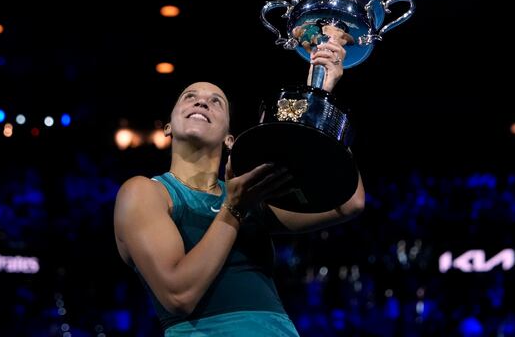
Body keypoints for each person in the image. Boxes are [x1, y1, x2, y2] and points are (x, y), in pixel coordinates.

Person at [113, 38, 365, 336]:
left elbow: (348, 203)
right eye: (189, 96)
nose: (202, 101)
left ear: (229, 138)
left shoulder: (253, 194)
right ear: (168, 127)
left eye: (216, 101)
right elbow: (178, 296)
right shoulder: (146, 192)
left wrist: (320, 107)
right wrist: (234, 208)